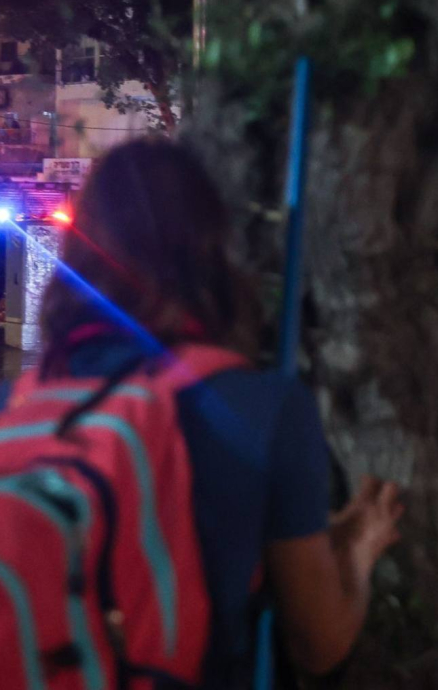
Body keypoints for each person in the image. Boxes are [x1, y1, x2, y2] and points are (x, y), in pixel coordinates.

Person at [5, 139, 404, 685]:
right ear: (211, 248)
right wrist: (359, 548)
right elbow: (320, 643)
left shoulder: (21, 403)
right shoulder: (261, 408)